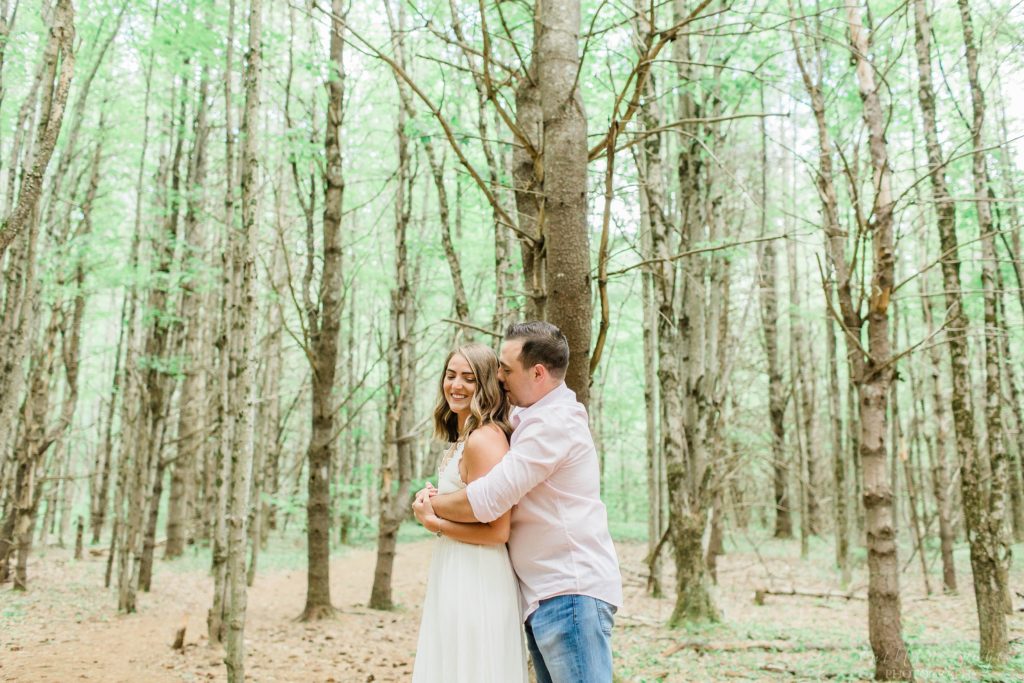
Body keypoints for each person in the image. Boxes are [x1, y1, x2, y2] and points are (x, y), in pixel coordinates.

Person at [415, 321, 623, 683]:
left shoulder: (554, 424)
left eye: (506, 369)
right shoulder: (528, 418)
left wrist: (431, 507)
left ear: (538, 372)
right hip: (544, 596)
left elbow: (490, 499)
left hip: (570, 594)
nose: (499, 377)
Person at [410, 342, 529, 683]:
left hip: (478, 576)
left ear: (486, 385)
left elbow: (497, 530)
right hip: (454, 568)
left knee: (473, 668)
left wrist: (435, 522)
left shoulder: (484, 440)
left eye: (469, 378)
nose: (456, 386)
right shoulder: (463, 438)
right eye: (450, 376)